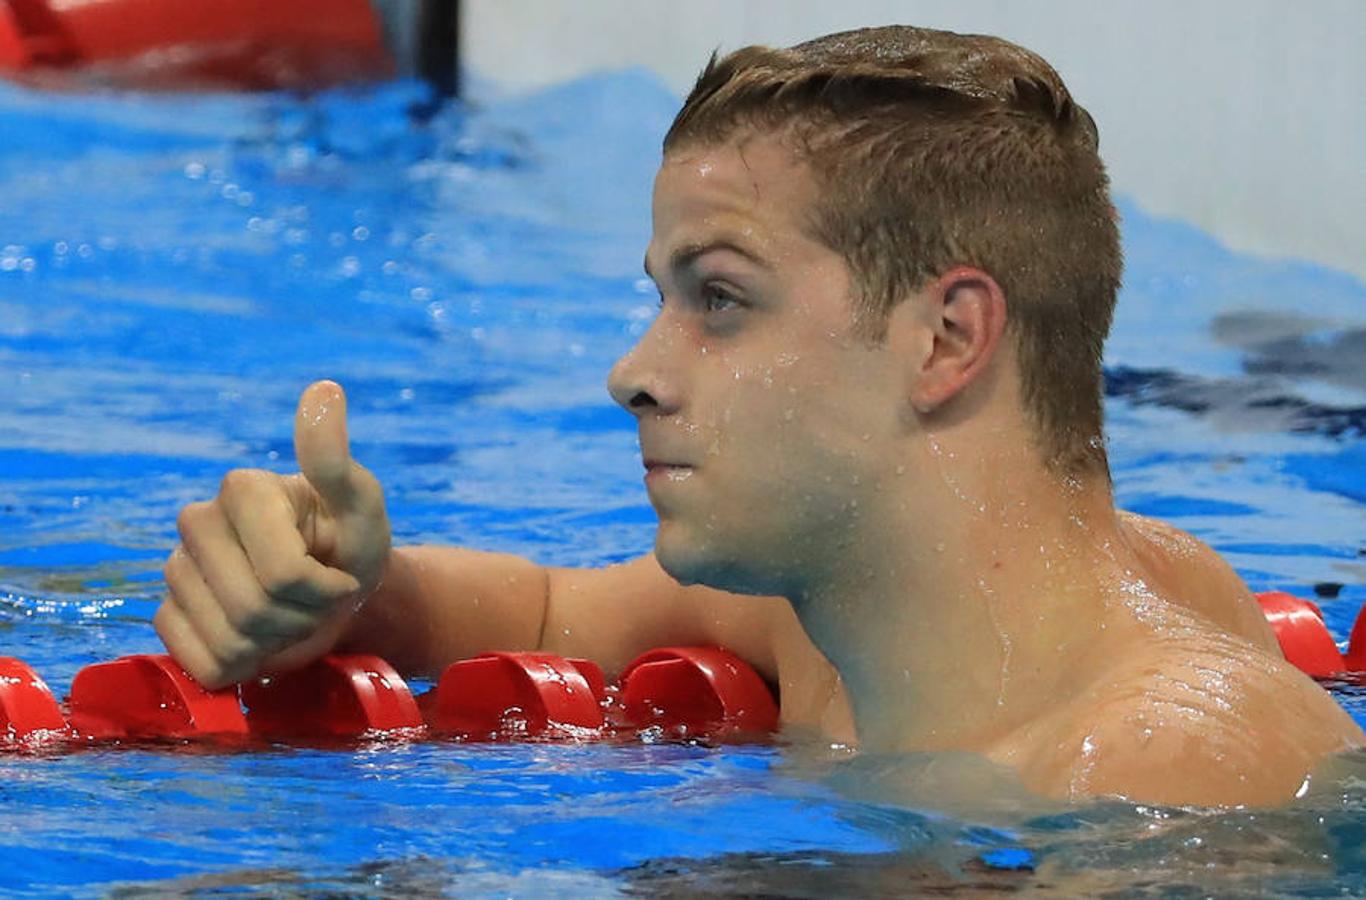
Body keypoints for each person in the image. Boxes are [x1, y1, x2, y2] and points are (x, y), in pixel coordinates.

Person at [154, 25, 1363, 806]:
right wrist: (332, 589)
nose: (632, 373)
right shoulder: (821, 615)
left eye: (718, 299)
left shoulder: (1171, 772)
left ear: (945, 341)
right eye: (663, 298)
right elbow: (540, 610)